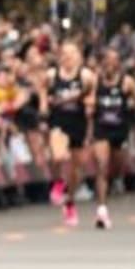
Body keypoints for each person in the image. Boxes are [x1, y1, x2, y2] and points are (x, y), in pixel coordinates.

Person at [89, 48, 135, 230]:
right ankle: (101, 210)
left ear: (118, 64)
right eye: (107, 61)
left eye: (114, 61)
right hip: (101, 129)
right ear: (102, 63)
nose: (110, 65)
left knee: (116, 169)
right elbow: (86, 102)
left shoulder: (126, 82)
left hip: (119, 130)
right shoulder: (95, 81)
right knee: (101, 166)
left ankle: (111, 184)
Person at [40, 42, 96, 227]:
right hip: (58, 121)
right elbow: (42, 89)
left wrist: (89, 107)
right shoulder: (52, 74)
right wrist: (44, 105)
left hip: (78, 122)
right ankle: (57, 182)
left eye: (72, 53)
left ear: (78, 56)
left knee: (76, 168)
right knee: (58, 156)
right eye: (65, 53)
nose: (68, 57)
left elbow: (92, 97)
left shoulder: (86, 75)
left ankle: (69, 202)